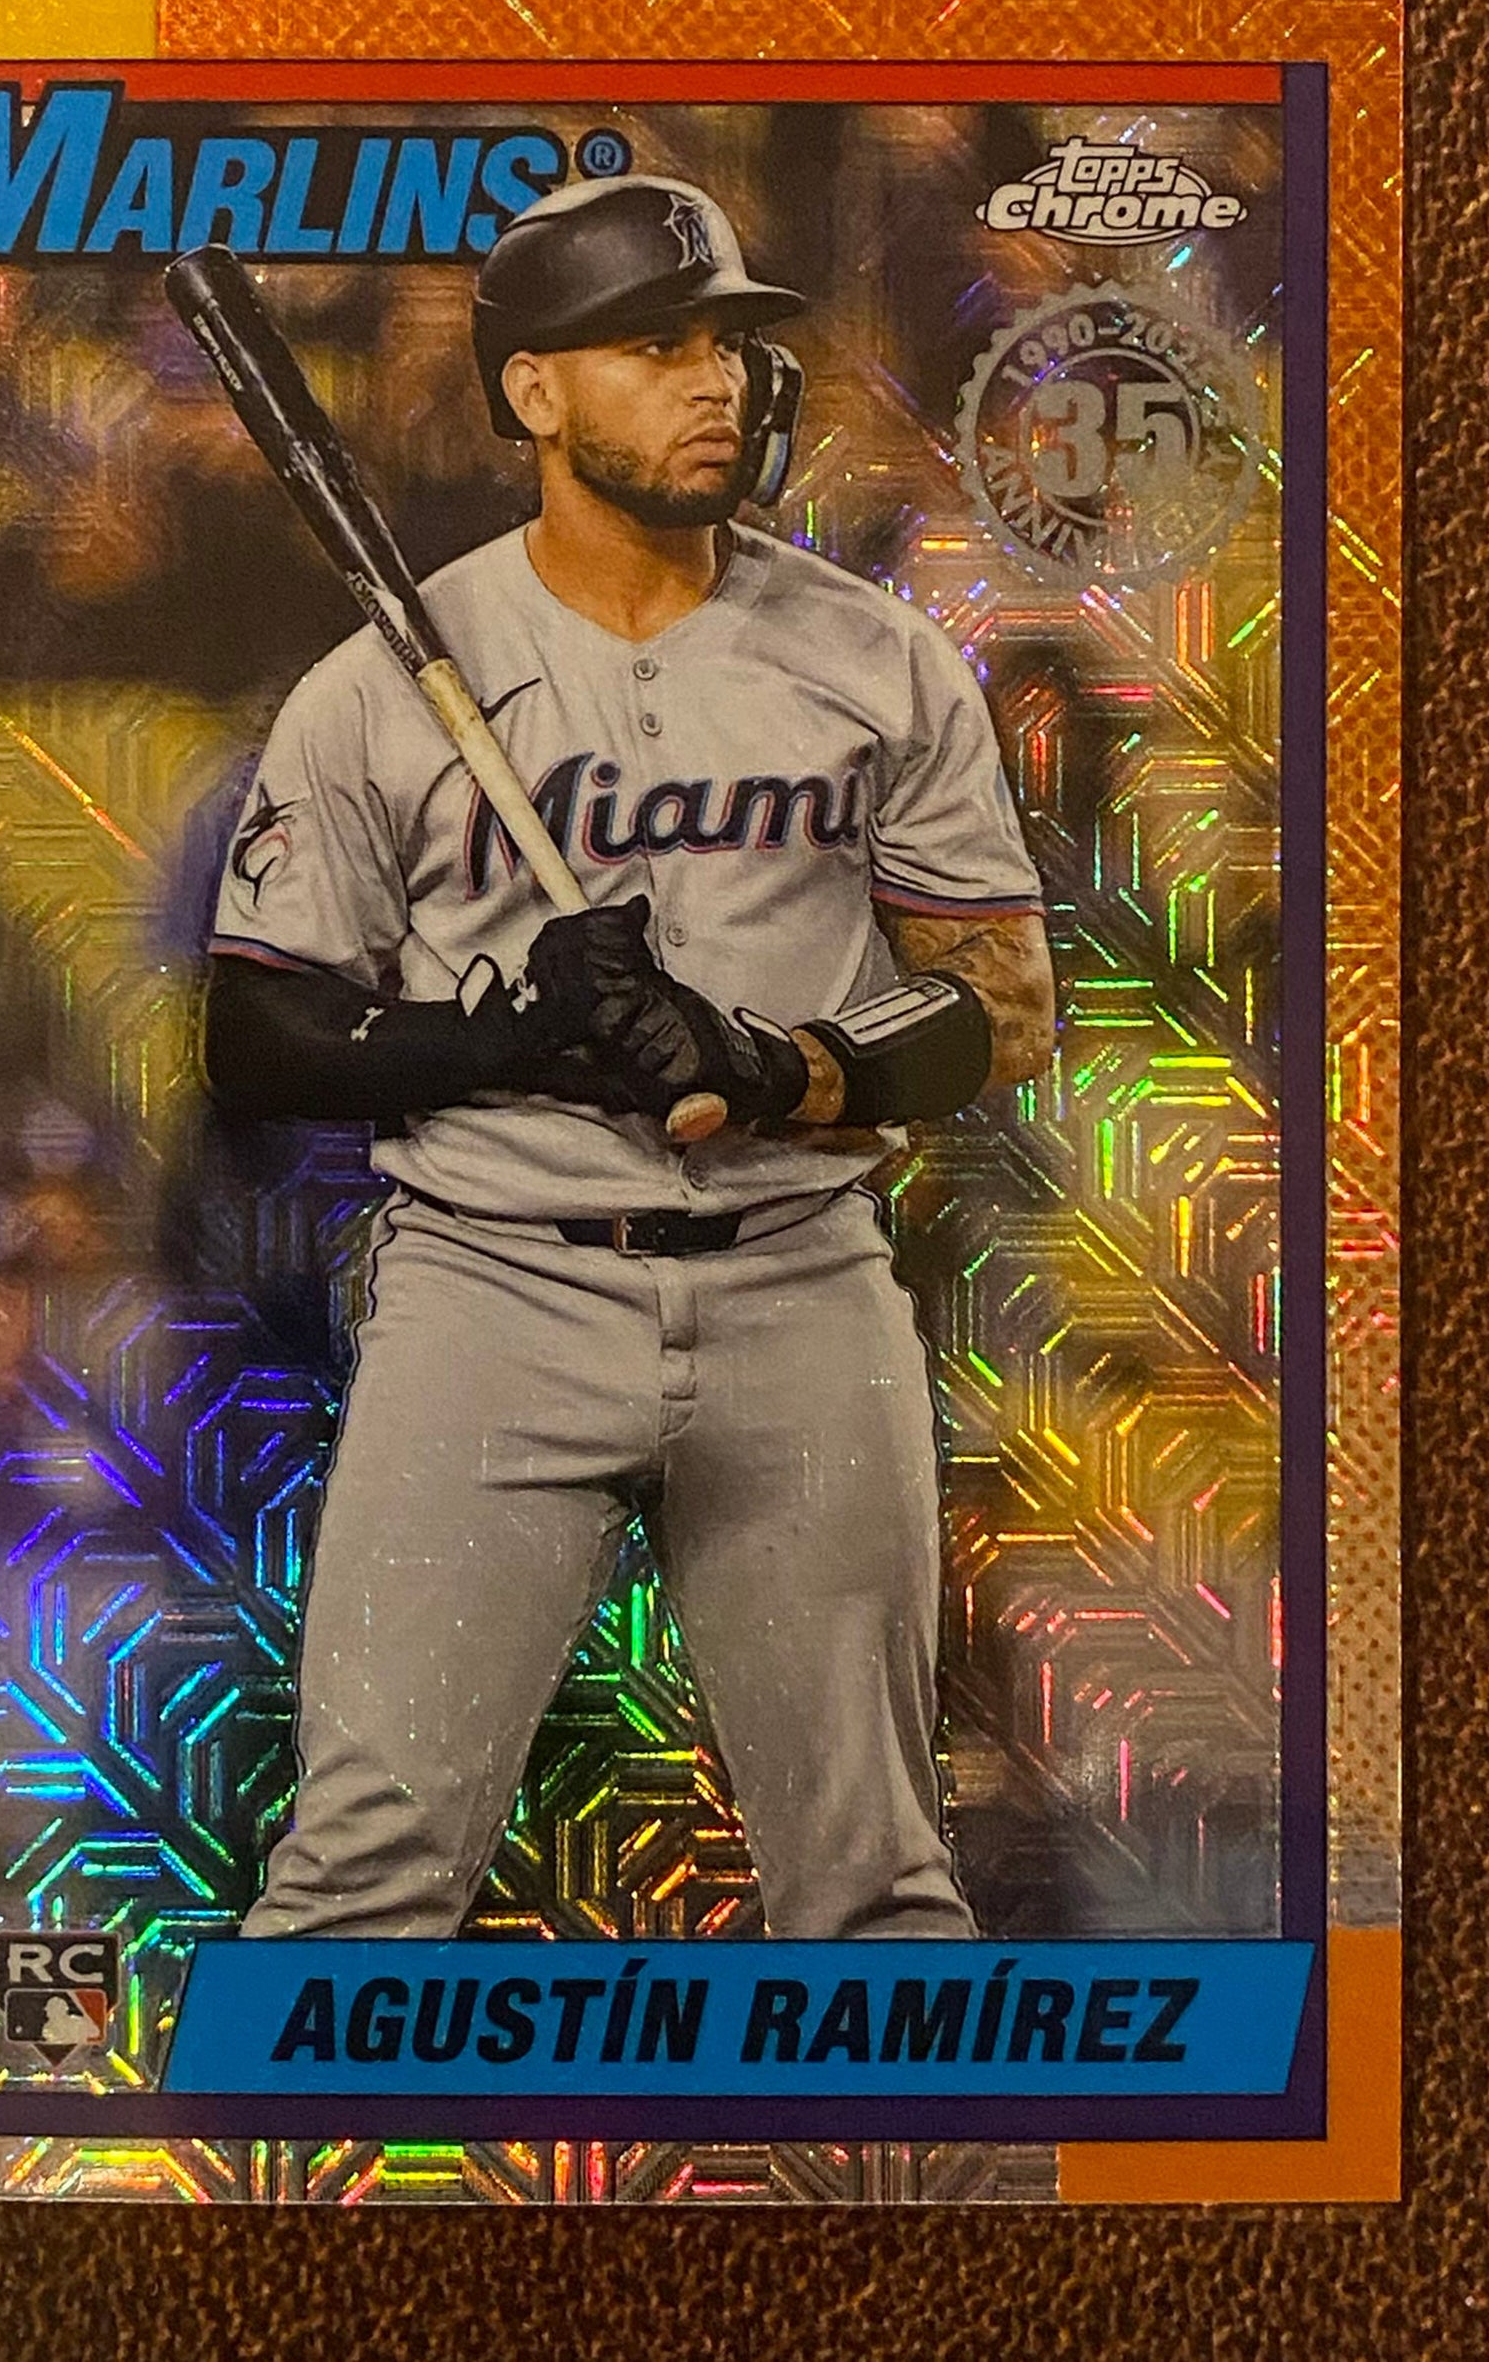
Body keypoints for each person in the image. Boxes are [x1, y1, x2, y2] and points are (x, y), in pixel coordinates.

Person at [204, 174, 1055, 1941]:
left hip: (801, 1284)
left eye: (727, 347)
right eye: (655, 347)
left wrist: (784, 1065)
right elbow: (256, 1032)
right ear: (534, 393)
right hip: (491, 1289)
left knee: (878, 1890)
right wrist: (502, 1031)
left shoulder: (875, 657)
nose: (714, 382)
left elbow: (1005, 1009)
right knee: (359, 1881)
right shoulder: (381, 679)